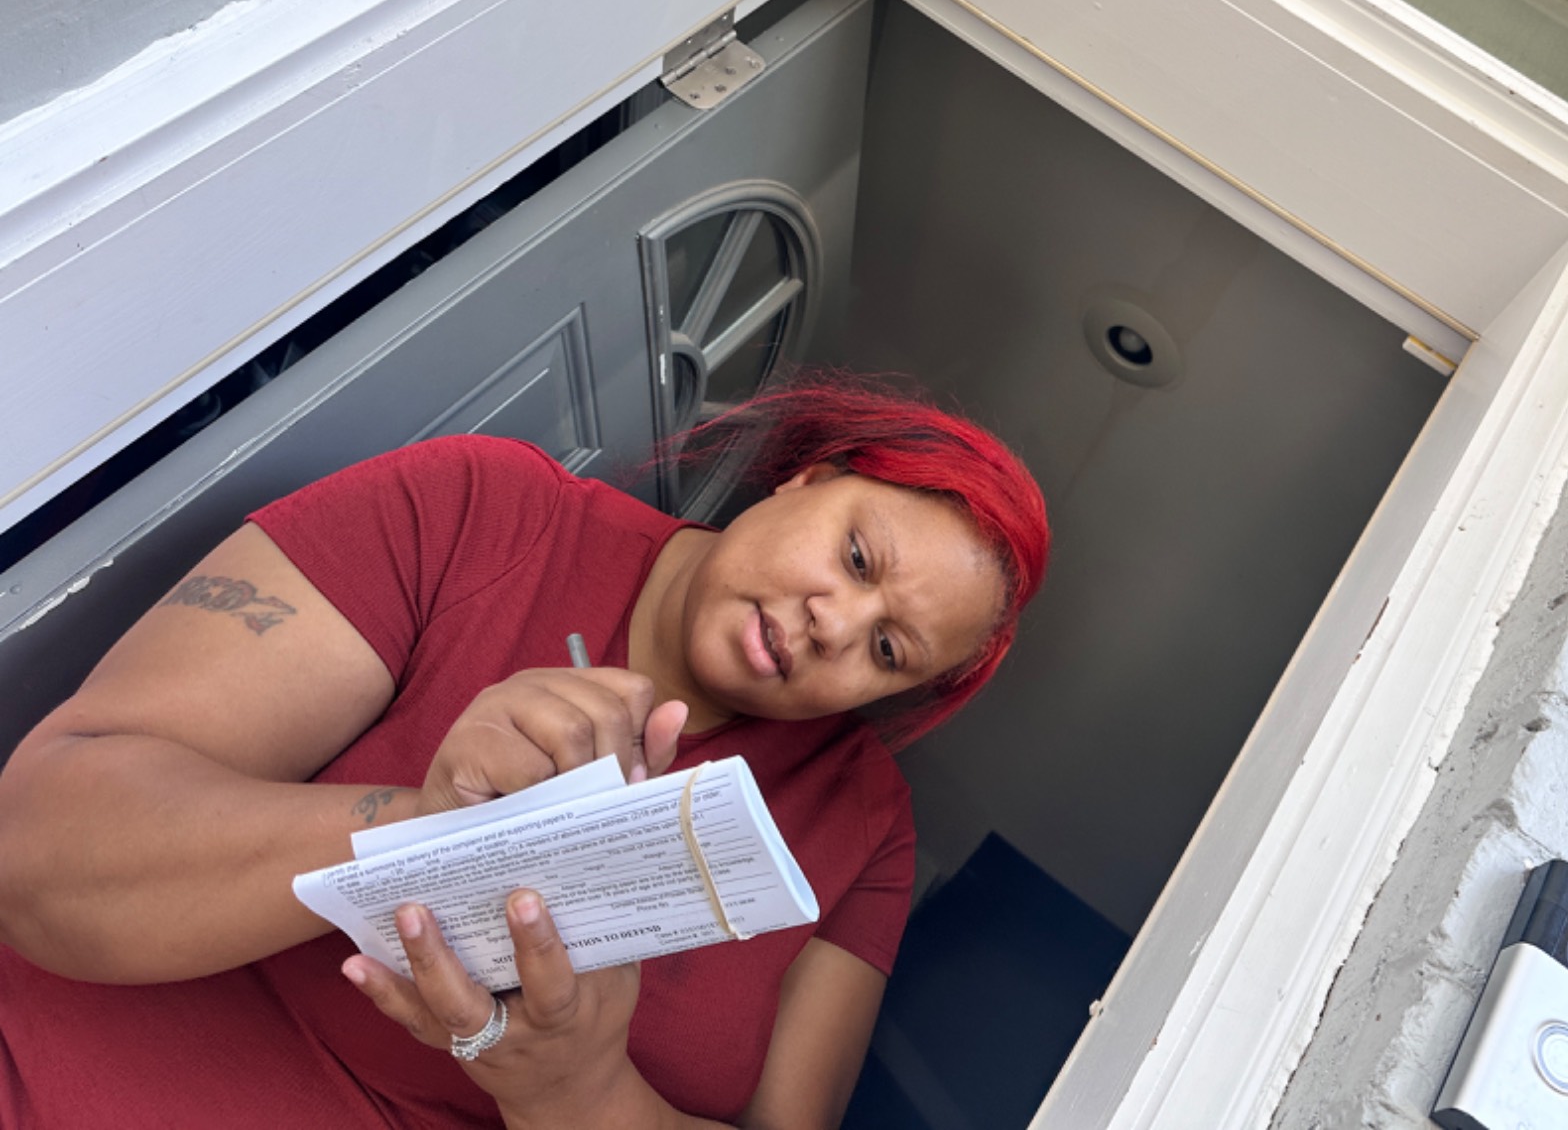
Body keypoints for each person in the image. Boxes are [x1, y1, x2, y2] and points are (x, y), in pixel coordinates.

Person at [0, 377, 1049, 1130]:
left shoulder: (864, 823)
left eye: (885, 650)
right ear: (804, 479)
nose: (833, 623)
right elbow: (37, 856)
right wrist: (426, 833)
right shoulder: (485, 512)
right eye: (857, 557)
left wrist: (576, 1091)